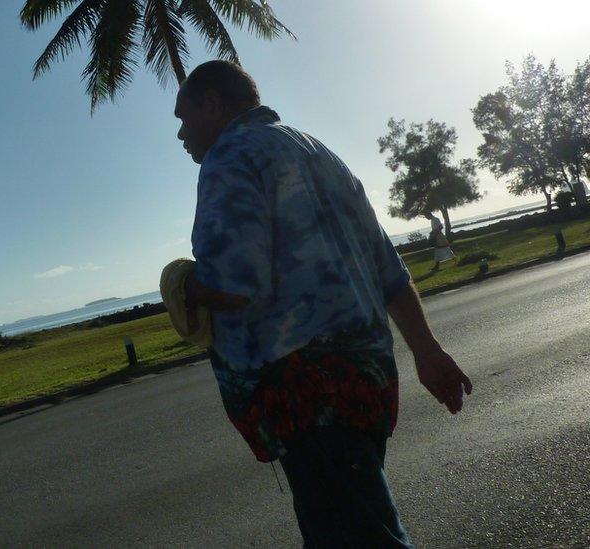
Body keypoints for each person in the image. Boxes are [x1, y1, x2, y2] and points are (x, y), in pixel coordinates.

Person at [175, 60, 472, 548]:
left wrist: (184, 286)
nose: (182, 133)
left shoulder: (229, 158)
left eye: (184, 117)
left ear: (212, 103)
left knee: (356, 538)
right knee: (360, 523)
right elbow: (388, 271)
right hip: (365, 381)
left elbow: (236, 287)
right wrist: (427, 351)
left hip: (305, 395)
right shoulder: (318, 152)